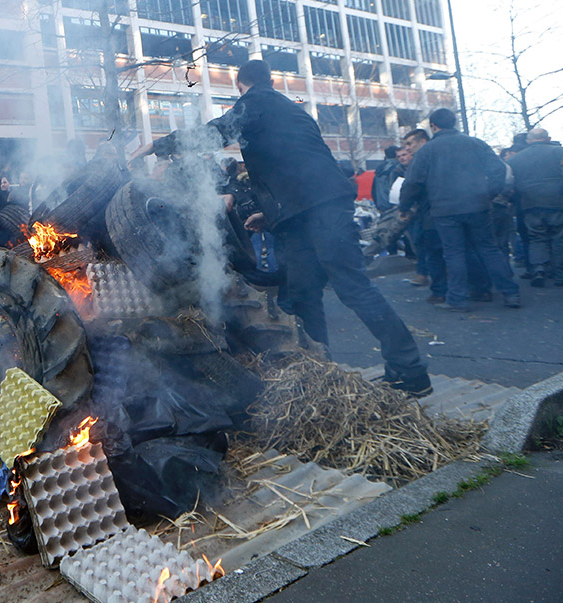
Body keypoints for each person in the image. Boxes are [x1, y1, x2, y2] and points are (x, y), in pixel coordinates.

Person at [132, 60, 430, 396]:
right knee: (303, 294)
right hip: (307, 212)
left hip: (320, 209)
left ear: (239, 84)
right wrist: (270, 214)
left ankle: (410, 370)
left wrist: (158, 145)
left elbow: (213, 134)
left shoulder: (256, 104)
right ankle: (320, 374)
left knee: (353, 287)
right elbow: (292, 165)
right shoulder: (290, 110)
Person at [398, 108, 520, 311]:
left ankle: (456, 299)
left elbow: (412, 182)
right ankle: (510, 293)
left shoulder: (428, 150)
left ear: (434, 126)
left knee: (454, 253)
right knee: (489, 249)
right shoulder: (475, 143)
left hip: (444, 210)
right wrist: (490, 193)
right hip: (477, 205)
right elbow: (498, 169)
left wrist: (404, 206)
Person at [508, 128, 563, 287]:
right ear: (548, 138)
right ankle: (560, 274)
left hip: (529, 203)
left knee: (536, 237)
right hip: (557, 202)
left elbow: (510, 183)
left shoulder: (515, 160)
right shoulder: (559, 152)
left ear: (528, 140)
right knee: (559, 238)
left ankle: (538, 269)